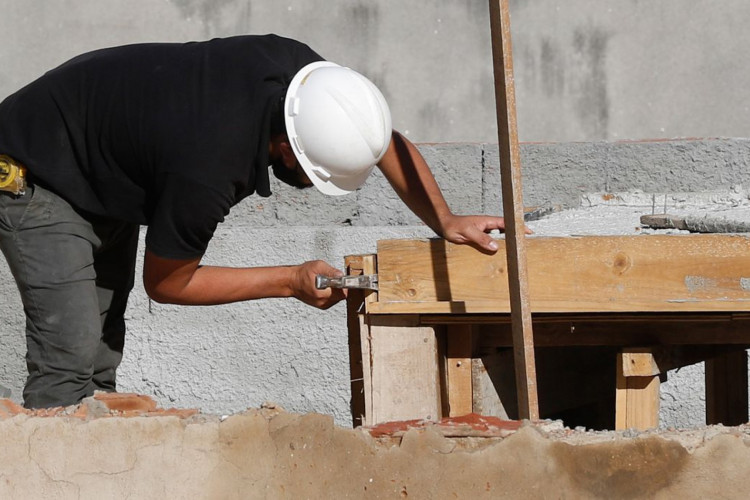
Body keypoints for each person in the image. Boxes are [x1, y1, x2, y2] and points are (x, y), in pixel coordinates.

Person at [0, 34, 508, 410]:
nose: (315, 186)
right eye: (315, 175)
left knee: (98, 361)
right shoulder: (207, 168)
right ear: (287, 148)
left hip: (102, 161)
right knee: (68, 364)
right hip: (33, 171)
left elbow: (377, 139)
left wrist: (445, 219)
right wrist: (288, 281)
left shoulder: (303, 80)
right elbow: (168, 282)